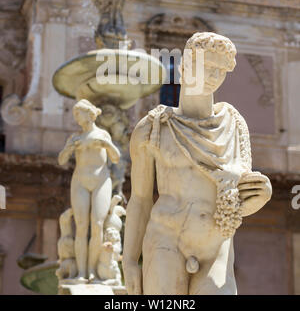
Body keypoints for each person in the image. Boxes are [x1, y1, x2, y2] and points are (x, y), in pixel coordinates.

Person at [123, 32, 272, 295]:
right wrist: (129, 261)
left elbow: (236, 199)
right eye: (206, 67)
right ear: (184, 67)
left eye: (219, 71)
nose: (213, 77)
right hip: (164, 241)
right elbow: (141, 199)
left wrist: (260, 196)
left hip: (216, 247)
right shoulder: (153, 128)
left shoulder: (234, 124)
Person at [58, 99, 120, 282]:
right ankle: (81, 272)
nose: (76, 117)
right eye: (75, 114)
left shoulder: (102, 134)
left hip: (101, 181)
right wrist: (69, 148)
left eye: (79, 113)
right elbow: (61, 160)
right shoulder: (75, 138)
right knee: (81, 226)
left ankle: (93, 270)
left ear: (90, 114)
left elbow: (115, 158)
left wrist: (107, 145)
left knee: (97, 224)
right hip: (80, 181)